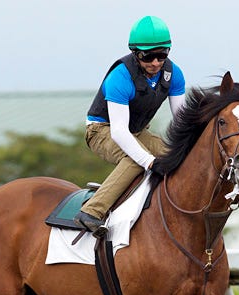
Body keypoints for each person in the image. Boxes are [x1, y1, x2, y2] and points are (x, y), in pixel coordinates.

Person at [74, 15, 186, 237]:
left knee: (176, 156)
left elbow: (182, 121)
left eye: (162, 55)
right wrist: (150, 162)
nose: (156, 62)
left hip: (137, 132)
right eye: (148, 56)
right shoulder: (120, 76)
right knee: (136, 160)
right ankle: (91, 212)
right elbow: (119, 132)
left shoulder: (174, 74)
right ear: (135, 53)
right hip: (102, 130)